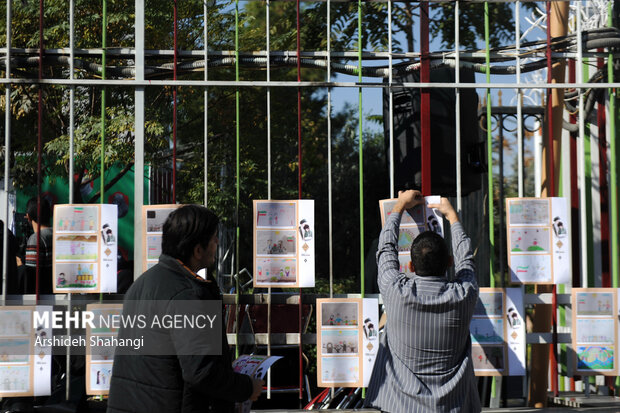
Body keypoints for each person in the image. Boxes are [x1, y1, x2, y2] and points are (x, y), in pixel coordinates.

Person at [107, 205, 263, 413]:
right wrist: (246, 387)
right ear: (198, 250)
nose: (217, 243)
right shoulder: (187, 294)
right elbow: (201, 372)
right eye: (214, 238)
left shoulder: (143, 283)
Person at [364, 190, 480, 413]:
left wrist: (398, 207)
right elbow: (466, 259)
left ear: (411, 267)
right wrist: (452, 217)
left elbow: (385, 249)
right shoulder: (464, 294)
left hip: (398, 406)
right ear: (448, 263)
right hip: (452, 407)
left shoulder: (396, 291)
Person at [18, 196, 53, 294]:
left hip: (43, 298)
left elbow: (32, 275)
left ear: (28, 216)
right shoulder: (58, 234)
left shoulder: (36, 238)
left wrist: (21, 266)